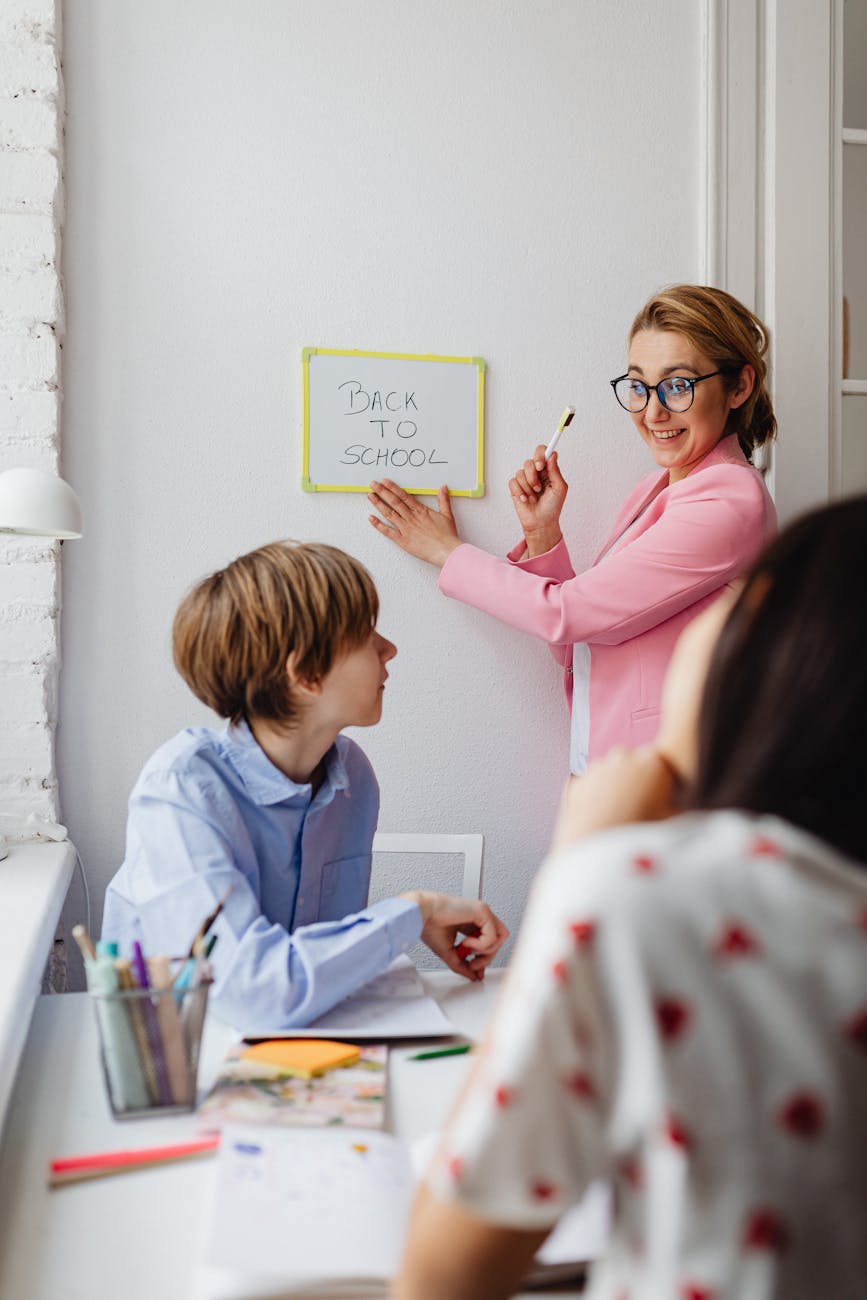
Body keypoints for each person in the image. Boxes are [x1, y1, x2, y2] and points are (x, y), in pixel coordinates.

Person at [394, 494, 867, 1300]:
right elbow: (583, 644)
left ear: (766, 645)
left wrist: (579, 868)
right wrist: (542, 541)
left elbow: (441, 1277)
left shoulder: (638, 895)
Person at [368, 284, 778, 773]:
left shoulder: (729, 501)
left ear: (739, 386)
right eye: (639, 386)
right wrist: (543, 535)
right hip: (606, 759)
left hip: (669, 778)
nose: (652, 412)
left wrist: (446, 551)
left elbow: (567, 614)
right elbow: (580, 640)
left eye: (679, 385)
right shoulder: (655, 488)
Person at [101, 541, 508, 1030]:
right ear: (306, 674)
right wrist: (412, 913)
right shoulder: (180, 792)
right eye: (366, 634)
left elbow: (309, 967)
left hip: (292, 1052)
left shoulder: (353, 778)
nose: (389, 649)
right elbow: (256, 993)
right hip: (177, 1067)